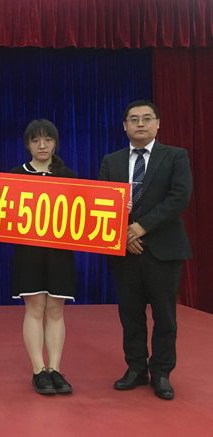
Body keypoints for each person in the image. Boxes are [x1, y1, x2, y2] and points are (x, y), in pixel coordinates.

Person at [0, 119, 76, 395]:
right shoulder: (14, 175)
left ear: (55, 143)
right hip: (29, 254)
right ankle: (38, 371)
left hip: (60, 253)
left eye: (48, 140)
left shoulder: (68, 175)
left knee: (55, 310)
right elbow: (0, 215)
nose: (42, 145)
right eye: (35, 140)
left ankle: (55, 369)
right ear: (27, 145)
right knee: (34, 309)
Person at [99, 100, 192, 400]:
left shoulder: (175, 156)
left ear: (158, 123)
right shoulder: (111, 160)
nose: (140, 123)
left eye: (147, 118)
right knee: (130, 314)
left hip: (164, 249)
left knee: (164, 316)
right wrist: (125, 234)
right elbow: (104, 201)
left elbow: (179, 196)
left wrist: (142, 227)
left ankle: (161, 372)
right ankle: (136, 368)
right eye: (134, 119)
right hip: (125, 249)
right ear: (124, 125)